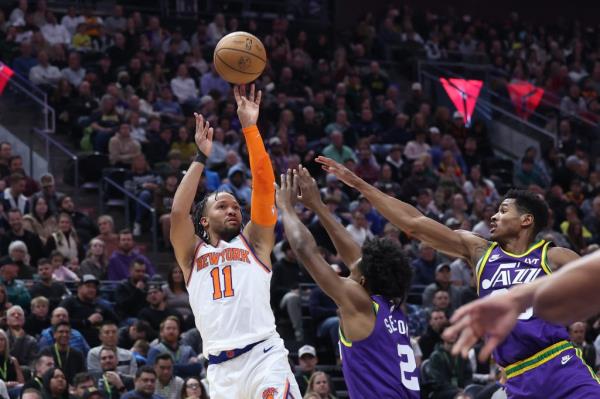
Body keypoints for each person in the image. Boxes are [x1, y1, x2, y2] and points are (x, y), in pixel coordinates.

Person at [315, 155, 600, 398]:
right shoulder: (479, 252)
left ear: (526, 220)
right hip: (516, 377)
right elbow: (415, 223)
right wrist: (359, 183)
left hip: (560, 365)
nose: (493, 217)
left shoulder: (554, 257)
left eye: (503, 211)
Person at [169, 85, 301, 399]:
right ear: (203, 220)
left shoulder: (254, 242)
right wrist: (201, 157)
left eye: (235, 207)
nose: (232, 210)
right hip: (220, 372)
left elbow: (265, 186)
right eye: (222, 206)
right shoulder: (191, 254)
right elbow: (177, 211)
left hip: (263, 358)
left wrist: (250, 127)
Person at [275, 166, 419, 398]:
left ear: (363, 280)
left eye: (353, 270)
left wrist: (286, 208)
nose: (349, 265)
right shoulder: (393, 306)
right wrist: (318, 207)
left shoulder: (361, 304)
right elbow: (355, 255)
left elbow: (304, 249)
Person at [59, 274, 119, 347]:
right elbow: (60, 322)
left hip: (99, 346)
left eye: (94, 287)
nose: (92, 289)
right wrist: (87, 322)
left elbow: (116, 321)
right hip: (74, 343)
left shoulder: (100, 305)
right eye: (88, 286)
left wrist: (103, 324)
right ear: (79, 288)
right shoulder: (69, 302)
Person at [428, 327, 473, 399]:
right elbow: (439, 381)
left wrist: (467, 388)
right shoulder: (436, 356)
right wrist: (457, 390)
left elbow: (468, 375)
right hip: (442, 392)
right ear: (441, 336)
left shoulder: (462, 354)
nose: (452, 335)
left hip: (462, 389)